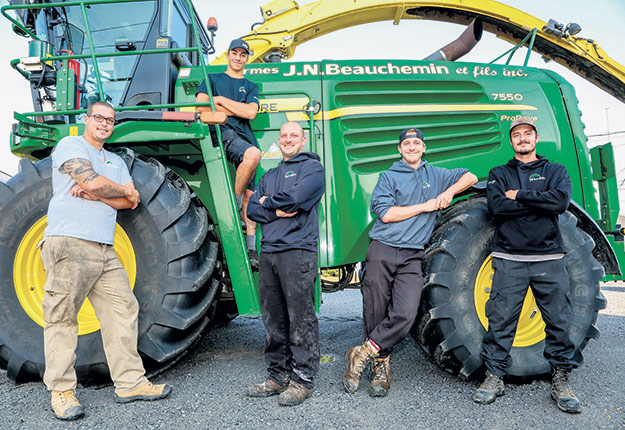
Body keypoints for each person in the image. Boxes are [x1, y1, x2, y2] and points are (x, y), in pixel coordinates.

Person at [41, 101, 171, 421]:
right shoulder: (70, 145)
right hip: (69, 242)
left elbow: (131, 200)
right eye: (98, 117)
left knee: (123, 310)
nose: (104, 123)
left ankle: (129, 383)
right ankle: (62, 391)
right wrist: (100, 188)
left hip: (104, 248)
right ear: (86, 120)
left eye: (110, 120)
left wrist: (96, 190)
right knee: (62, 317)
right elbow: (91, 182)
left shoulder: (115, 160)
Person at [343, 127, 477, 397]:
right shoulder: (389, 177)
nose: (412, 146)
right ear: (400, 149)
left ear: (423, 148)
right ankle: (381, 368)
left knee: (406, 314)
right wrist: (426, 205)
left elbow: (470, 176)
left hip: (412, 254)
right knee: (375, 310)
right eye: (407, 143)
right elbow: (387, 214)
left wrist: (449, 192)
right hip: (383, 249)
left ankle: (362, 352)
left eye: (417, 143)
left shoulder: (436, 174)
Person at [473, 117, 581, 414]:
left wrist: (519, 195)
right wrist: (538, 200)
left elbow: (559, 202)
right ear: (512, 141)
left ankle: (561, 378)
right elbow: (497, 207)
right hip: (509, 258)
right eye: (517, 135)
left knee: (559, 320)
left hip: (548, 258)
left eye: (527, 134)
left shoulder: (554, 171)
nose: (522, 138)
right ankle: (494, 376)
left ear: (536, 138)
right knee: (501, 319)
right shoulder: (499, 173)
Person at [245, 121, 325, 406]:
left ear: (303, 140)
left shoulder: (313, 169)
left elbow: (297, 197)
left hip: (298, 252)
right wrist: (275, 208)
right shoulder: (269, 174)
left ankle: (303, 379)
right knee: (273, 319)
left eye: (294, 135)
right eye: (283, 136)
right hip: (269, 253)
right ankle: (278, 376)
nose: (288, 140)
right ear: (278, 141)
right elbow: (253, 209)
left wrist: (268, 203)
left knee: (300, 318)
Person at [195, 38, 261, 267]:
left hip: (245, 136)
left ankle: (251, 250)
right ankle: (234, 199)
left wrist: (221, 101)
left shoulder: (251, 86)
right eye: (235, 53)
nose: (238, 57)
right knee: (252, 155)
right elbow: (202, 108)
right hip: (222, 133)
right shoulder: (211, 79)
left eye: (243, 54)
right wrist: (236, 109)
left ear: (246, 58)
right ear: (228, 55)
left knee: (251, 196)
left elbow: (251, 113)